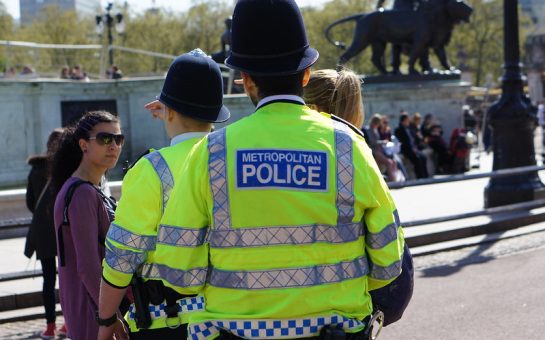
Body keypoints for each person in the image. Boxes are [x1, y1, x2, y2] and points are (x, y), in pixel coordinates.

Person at [153, 1, 405, 339]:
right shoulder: (349, 146)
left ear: (246, 81)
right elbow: (389, 262)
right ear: (305, 74)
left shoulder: (210, 153)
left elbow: (177, 272)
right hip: (334, 331)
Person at [97, 49, 230, 340]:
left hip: (168, 323)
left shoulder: (152, 169)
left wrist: (106, 319)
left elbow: (122, 257)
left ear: (166, 110)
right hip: (230, 319)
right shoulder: (233, 160)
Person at [51, 111, 126, 340]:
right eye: (104, 139)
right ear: (84, 145)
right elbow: (88, 266)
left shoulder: (86, 188)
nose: (113, 145)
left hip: (91, 301)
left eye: (118, 139)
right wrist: (109, 318)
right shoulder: (82, 193)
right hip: (92, 305)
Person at [25, 128, 67, 339]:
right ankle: (68, 323)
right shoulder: (67, 169)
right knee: (68, 278)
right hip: (64, 230)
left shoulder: (35, 169)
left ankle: (50, 326)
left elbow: (30, 203)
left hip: (43, 232)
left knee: (48, 279)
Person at [395, 112, 429, 178]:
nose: (409, 121)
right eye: (407, 119)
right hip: (407, 149)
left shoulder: (409, 128)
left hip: (414, 148)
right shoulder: (399, 130)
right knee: (417, 159)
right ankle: (420, 177)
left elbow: (414, 138)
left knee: (423, 157)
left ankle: (426, 176)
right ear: (404, 120)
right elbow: (403, 142)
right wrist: (412, 148)